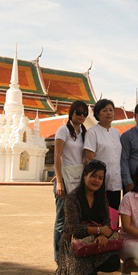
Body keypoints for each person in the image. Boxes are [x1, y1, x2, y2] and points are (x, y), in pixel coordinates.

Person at [55, 160, 121, 275]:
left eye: (100, 178)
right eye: (93, 176)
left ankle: (91, 267)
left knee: (114, 262)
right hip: (73, 244)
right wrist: (98, 230)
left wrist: (103, 236)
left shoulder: (102, 199)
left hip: (94, 243)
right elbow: (72, 228)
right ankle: (81, 270)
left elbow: (106, 221)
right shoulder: (72, 198)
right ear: (85, 175)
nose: (96, 180)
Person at [53, 100, 89, 263]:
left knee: (75, 220)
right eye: (78, 112)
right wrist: (59, 181)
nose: (82, 116)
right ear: (71, 113)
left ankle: (72, 256)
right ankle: (59, 258)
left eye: (85, 113)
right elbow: (57, 156)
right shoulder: (63, 130)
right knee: (62, 220)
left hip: (78, 180)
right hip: (65, 181)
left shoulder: (84, 132)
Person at [84, 99, 122, 210]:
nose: (109, 113)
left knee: (114, 214)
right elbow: (89, 159)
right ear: (97, 114)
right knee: (100, 215)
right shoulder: (92, 132)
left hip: (115, 183)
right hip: (99, 183)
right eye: (104, 110)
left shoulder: (116, 133)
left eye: (111, 110)